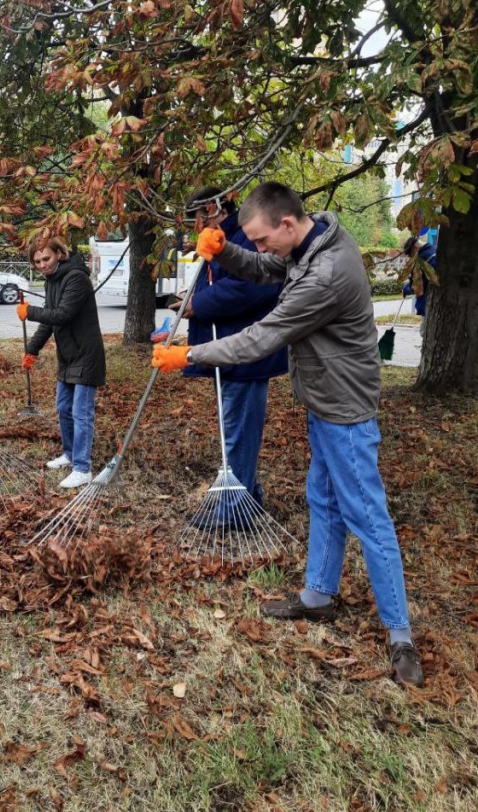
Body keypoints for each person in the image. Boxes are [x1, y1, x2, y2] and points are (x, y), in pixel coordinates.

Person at [152, 181, 423, 686]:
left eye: (258, 238)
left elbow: (264, 336)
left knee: (366, 514)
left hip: (344, 408)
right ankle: (318, 595)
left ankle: (400, 634)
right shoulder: (309, 240)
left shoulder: (324, 274)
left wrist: (189, 354)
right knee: (322, 499)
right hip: (324, 400)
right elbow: (263, 267)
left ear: (286, 224)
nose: (257, 247)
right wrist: (226, 251)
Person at [174, 187, 287, 518]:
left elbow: (248, 287)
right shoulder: (223, 236)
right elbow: (219, 282)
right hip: (228, 350)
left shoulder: (244, 236)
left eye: (195, 217)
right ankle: (247, 495)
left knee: (238, 430)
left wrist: (198, 304)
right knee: (234, 426)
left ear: (211, 208)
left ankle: (233, 510)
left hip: (245, 352)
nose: (194, 226)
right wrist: (192, 296)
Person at [18, 235, 106, 489]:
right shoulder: (52, 281)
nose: (43, 264)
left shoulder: (76, 277)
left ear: (59, 254)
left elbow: (63, 314)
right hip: (68, 355)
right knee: (64, 407)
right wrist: (32, 349)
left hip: (86, 354)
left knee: (81, 412)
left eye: (46, 258)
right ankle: (69, 454)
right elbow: (50, 320)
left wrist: (30, 312)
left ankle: (82, 468)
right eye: (37, 261)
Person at [402, 234, 437, 335]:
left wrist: (406, 288)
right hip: (437, 302)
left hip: (429, 303)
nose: (410, 257)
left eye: (410, 253)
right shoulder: (435, 250)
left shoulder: (420, 260)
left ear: (415, 247)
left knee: (425, 334)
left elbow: (417, 288)